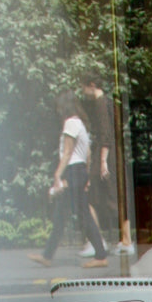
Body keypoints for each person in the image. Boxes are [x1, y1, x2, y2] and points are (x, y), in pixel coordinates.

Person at [29, 91, 107, 268]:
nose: (57, 110)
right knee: (64, 215)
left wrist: (58, 174)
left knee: (80, 216)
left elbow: (68, 152)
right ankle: (48, 256)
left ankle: (101, 256)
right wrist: (85, 176)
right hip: (78, 171)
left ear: (64, 106)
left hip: (72, 170)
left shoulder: (70, 123)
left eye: (58, 106)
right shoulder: (80, 124)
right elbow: (87, 154)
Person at [79, 76, 120, 253]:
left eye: (83, 87)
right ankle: (111, 240)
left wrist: (103, 160)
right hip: (105, 155)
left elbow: (105, 134)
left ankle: (97, 241)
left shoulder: (100, 103)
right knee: (104, 197)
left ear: (92, 85)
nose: (82, 91)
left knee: (91, 196)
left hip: (103, 156)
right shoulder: (105, 102)